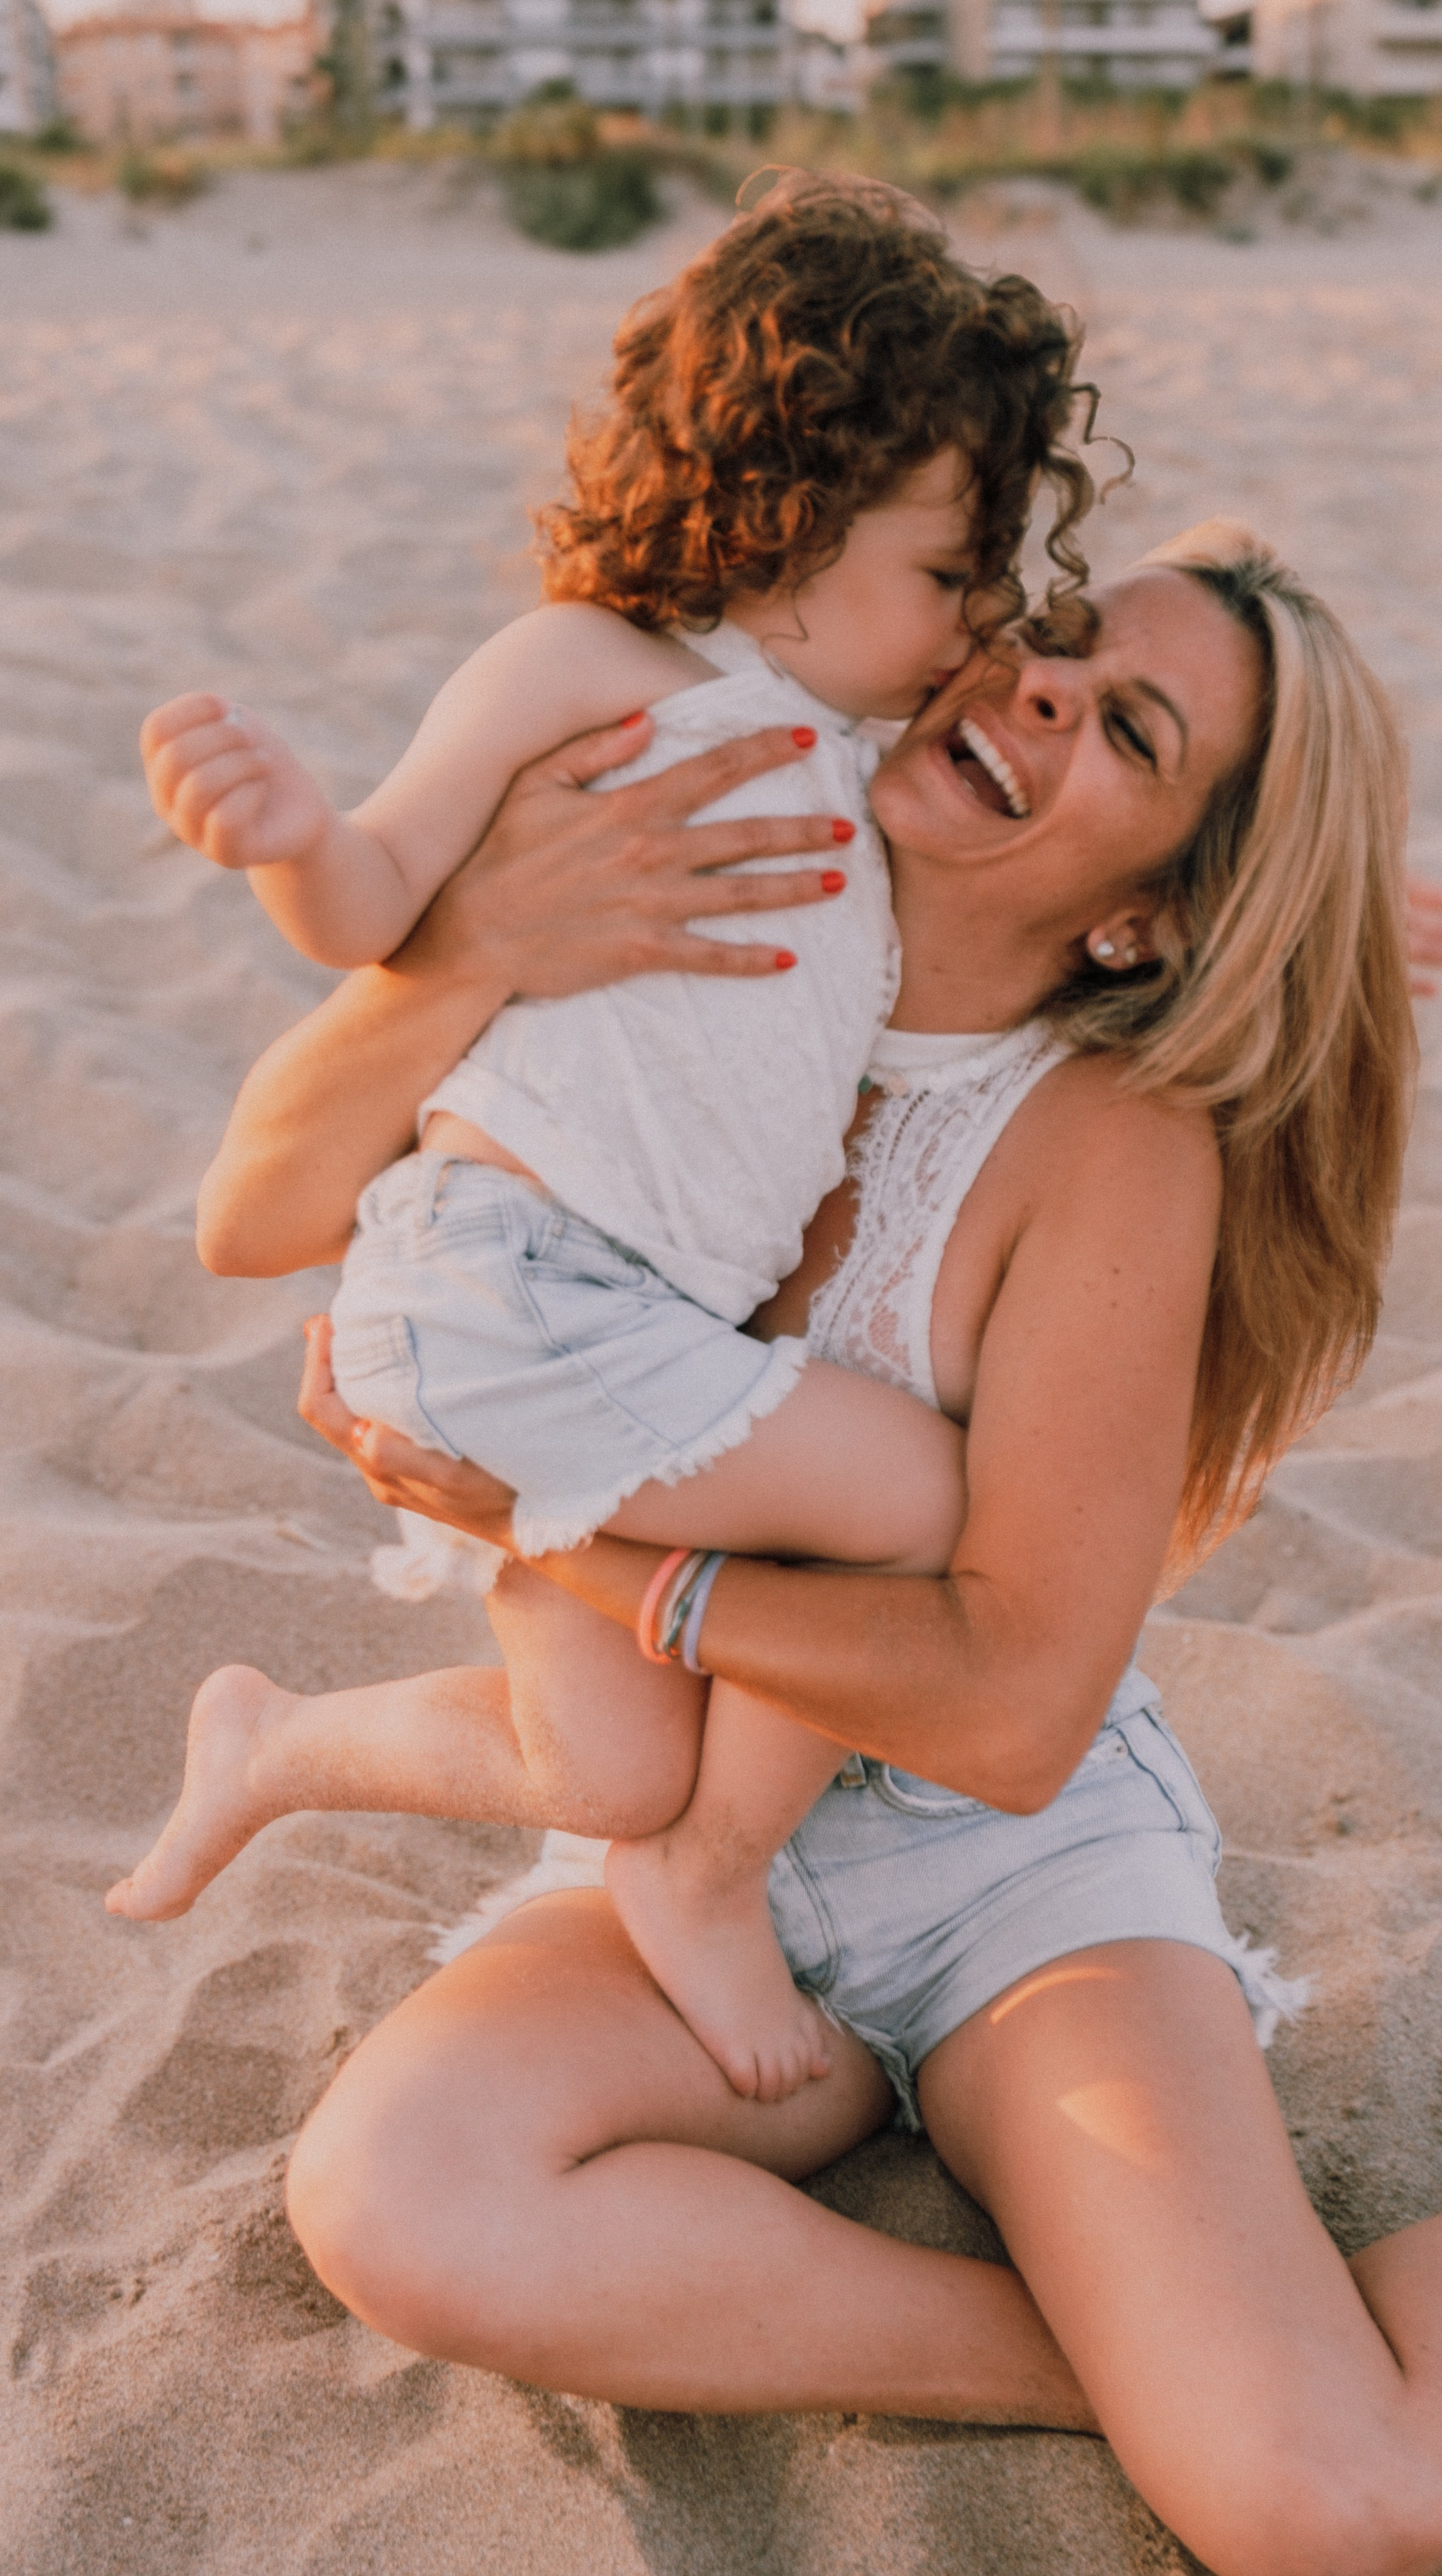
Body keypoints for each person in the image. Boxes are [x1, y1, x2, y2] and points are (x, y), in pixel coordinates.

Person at [130, 527, 1442, 2576]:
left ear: (1151, 912)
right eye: (1052, 645)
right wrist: (474, 949)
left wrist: (604, 1562)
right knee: (402, 2206)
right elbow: (251, 1215)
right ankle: (1145, 2362)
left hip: (1008, 1880)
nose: (1041, 688)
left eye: (1125, 724)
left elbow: (1019, 1706)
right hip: (682, 1840)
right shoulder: (701, 900)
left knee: (1338, 2511)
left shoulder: (1111, 1151)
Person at [111, 172, 1103, 2106]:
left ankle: (277, 1747)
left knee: (611, 1764)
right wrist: (294, 839)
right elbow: (384, 887)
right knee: (915, 1501)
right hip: (510, 1284)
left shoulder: (877, 774)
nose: (979, 623)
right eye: (948, 573)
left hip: (626, 1334)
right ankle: (713, 1886)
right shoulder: (596, 670)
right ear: (780, 526)